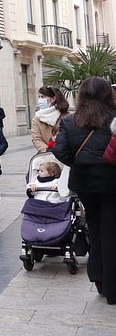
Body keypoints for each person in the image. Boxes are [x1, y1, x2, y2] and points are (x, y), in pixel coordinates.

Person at [52, 76, 116, 304]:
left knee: (96, 228)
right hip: (111, 182)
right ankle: (112, 286)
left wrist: (78, 163)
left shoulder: (70, 122)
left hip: (85, 183)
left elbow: (59, 151)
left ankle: (99, 278)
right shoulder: (114, 118)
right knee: (111, 231)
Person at [32, 86, 69, 152]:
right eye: (39, 97)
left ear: (53, 99)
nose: (40, 100)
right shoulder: (37, 118)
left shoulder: (66, 116)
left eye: (43, 97)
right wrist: (47, 150)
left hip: (65, 155)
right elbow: (36, 139)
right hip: (45, 156)